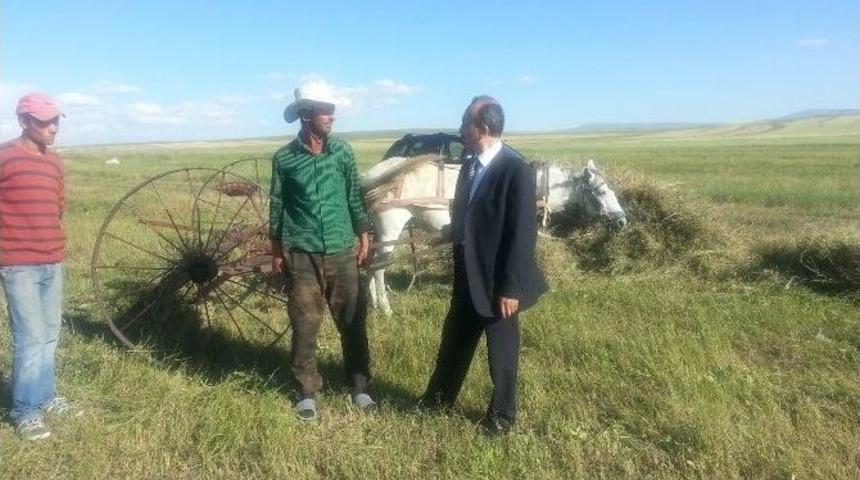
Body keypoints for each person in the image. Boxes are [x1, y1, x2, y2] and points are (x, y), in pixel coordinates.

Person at [419, 96, 547, 436]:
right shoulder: (470, 164)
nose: (460, 129)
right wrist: (454, 231)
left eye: (465, 123)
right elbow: (470, 212)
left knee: (501, 353)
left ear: (484, 128)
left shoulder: (515, 169)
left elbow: (522, 233)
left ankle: (503, 417)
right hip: (466, 273)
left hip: (498, 281)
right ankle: (438, 398)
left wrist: (511, 287)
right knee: (454, 340)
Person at [269, 83, 375, 421]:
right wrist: (276, 249)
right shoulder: (284, 159)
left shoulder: (342, 152)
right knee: (305, 322)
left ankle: (359, 387)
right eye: (324, 110)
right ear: (305, 115)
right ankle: (306, 391)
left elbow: (353, 196)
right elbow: (277, 206)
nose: (332, 115)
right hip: (303, 252)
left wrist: (363, 234)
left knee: (353, 320)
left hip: (343, 247)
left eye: (332, 109)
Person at [1, 93, 81, 441]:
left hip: (52, 261)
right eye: (45, 122)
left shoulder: (54, 163)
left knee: (49, 333)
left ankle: (45, 396)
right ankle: (24, 410)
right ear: (23, 121)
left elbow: (58, 207)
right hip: (18, 264)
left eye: (56, 121)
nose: (53, 128)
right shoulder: (4, 158)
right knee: (30, 337)